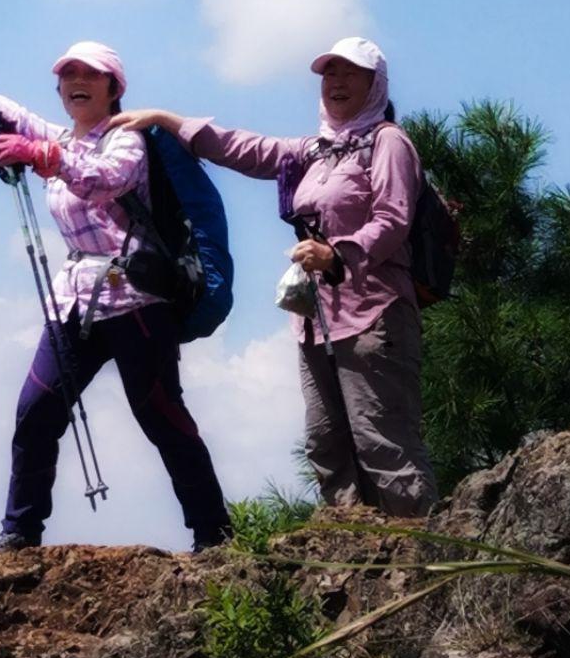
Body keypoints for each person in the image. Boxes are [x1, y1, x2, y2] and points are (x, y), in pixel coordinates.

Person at [0, 29, 235, 551]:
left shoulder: (126, 139)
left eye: (89, 75)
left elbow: (104, 179)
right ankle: (20, 531)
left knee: (160, 415)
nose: (77, 82)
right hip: (76, 301)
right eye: (67, 75)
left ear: (112, 87)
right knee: (36, 410)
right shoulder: (59, 138)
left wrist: (43, 157)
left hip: (137, 298)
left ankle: (213, 530)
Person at [111, 37, 438, 517]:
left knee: (382, 441)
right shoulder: (315, 150)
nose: (336, 83)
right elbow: (247, 148)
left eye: (350, 73)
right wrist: (166, 120)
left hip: (375, 315)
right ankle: (355, 554)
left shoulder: (388, 142)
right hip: (316, 320)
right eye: (329, 74)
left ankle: (421, 554)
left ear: (376, 84)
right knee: (327, 443)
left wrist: (336, 254)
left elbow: (393, 219)